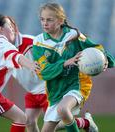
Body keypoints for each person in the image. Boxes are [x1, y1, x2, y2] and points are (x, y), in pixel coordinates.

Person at [32, 2, 115, 132]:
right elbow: (44, 72)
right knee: (53, 126)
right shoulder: (38, 43)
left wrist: (105, 60)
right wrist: (66, 62)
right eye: (42, 19)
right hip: (56, 91)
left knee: (63, 109)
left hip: (77, 85)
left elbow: (96, 48)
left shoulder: (73, 35)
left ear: (60, 21)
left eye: (49, 20)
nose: (44, 23)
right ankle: (86, 122)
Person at [9, 17, 48, 132]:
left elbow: (51, 58)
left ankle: (84, 122)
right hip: (32, 91)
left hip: (47, 88)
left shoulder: (32, 42)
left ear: (15, 28)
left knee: (57, 123)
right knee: (29, 122)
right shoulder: (2, 49)